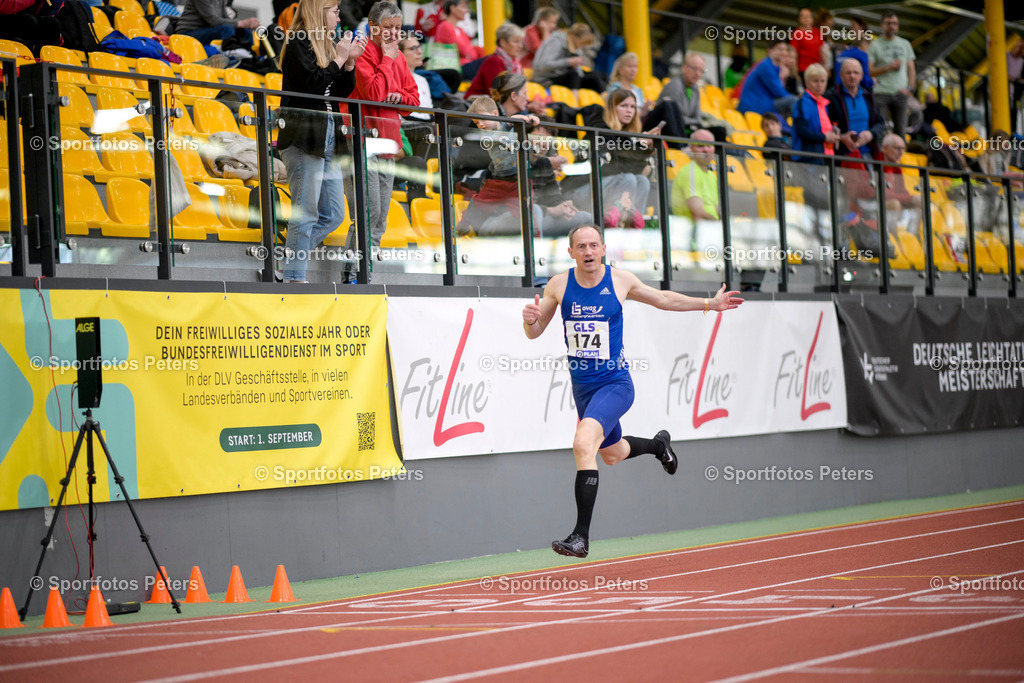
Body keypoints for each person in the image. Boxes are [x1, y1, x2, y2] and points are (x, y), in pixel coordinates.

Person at [520, 224, 743, 557]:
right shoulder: (559, 284)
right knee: (611, 454)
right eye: (581, 246)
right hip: (583, 389)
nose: (588, 252)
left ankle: (581, 537)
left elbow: (663, 299)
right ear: (571, 253)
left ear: (604, 248)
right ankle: (658, 445)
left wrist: (709, 303)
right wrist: (529, 319)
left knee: (583, 443)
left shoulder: (620, 280)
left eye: (593, 245)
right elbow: (535, 332)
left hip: (615, 384)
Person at [276, 0, 365, 283]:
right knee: (307, 213)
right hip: (304, 137)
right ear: (319, 11)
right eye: (334, 10)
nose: (339, 16)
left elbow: (337, 92)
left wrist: (348, 63)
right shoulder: (297, 42)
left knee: (334, 215)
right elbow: (313, 85)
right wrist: (339, 60)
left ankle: (286, 258)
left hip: (330, 135)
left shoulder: (326, 42)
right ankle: (293, 276)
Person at [342, 0, 419, 266]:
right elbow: (373, 93)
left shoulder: (399, 57)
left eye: (398, 28)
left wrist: (399, 96)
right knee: (368, 212)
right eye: (389, 27)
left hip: (388, 143)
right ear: (373, 26)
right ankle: (352, 273)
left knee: (380, 219)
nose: (395, 33)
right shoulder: (362, 51)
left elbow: (414, 102)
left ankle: (366, 272)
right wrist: (387, 58)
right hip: (362, 140)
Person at [564, 88, 657, 227]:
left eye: (632, 107)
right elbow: (611, 168)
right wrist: (637, 147)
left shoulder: (624, 137)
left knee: (642, 181)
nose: (629, 111)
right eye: (623, 106)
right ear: (612, 109)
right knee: (628, 178)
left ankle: (634, 227)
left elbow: (633, 169)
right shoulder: (600, 130)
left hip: (602, 188)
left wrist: (643, 148)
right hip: (578, 190)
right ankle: (611, 225)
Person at [657, 53, 730, 143]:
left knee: (720, 131)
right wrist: (692, 123)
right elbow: (674, 117)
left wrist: (693, 123)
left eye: (701, 71)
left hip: (690, 128)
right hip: (677, 131)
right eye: (694, 68)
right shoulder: (674, 85)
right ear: (684, 68)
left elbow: (697, 117)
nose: (698, 74)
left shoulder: (695, 89)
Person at [827, 58, 886, 160]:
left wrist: (871, 134)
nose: (852, 76)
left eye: (856, 73)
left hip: (867, 153)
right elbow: (824, 126)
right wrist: (841, 137)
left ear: (861, 76)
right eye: (848, 73)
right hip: (841, 155)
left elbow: (880, 124)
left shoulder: (868, 96)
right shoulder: (831, 96)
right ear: (841, 75)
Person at [868, 11, 916, 137]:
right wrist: (888, 67)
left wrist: (910, 88)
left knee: (901, 131)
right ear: (882, 25)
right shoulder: (875, 44)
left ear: (898, 26)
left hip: (900, 93)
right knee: (881, 130)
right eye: (888, 23)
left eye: (894, 23)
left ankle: (900, 156)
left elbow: (911, 69)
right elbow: (869, 70)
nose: (892, 26)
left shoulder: (905, 44)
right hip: (881, 93)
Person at [531, 22, 605, 94]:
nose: (581, 47)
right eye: (582, 43)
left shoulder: (575, 47)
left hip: (562, 75)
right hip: (546, 79)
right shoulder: (556, 42)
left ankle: (607, 101)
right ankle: (575, 104)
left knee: (598, 76)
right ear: (573, 36)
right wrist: (568, 62)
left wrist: (576, 65)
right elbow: (542, 65)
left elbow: (579, 73)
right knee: (574, 75)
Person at [737, 40, 799, 117]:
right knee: (793, 100)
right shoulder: (765, 66)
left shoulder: (774, 67)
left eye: (785, 50)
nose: (783, 53)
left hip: (762, 104)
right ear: (770, 51)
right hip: (753, 107)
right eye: (780, 49)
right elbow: (779, 92)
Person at [465, 22, 526, 99]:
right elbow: (496, 93)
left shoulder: (516, 64)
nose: (520, 46)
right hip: (478, 106)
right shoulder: (494, 61)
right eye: (516, 42)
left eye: (521, 42)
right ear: (502, 42)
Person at [792, 64, 840, 161]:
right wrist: (824, 137)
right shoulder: (803, 103)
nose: (819, 85)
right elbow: (801, 129)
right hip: (807, 156)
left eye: (822, 81)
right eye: (815, 81)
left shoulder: (825, 103)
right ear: (807, 83)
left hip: (824, 154)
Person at [671, 129, 718, 224]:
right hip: (693, 232)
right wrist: (720, 225)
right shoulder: (690, 172)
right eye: (700, 146)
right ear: (691, 148)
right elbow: (697, 214)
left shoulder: (711, 175)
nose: (706, 150)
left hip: (711, 228)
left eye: (709, 145)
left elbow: (716, 209)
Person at [175, 0, 260, 47]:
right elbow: (213, 20)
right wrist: (241, 23)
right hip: (187, 33)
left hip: (209, 30)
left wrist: (247, 25)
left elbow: (224, 19)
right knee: (227, 29)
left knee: (245, 31)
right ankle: (226, 58)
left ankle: (248, 60)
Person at [432, 0, 484, 67]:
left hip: (463, 66)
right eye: (463, 7)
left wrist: (470, 53)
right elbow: (466, 51)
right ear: (452, 8)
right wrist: (469, 53)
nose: (466, 10)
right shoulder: (445, 26)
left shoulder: (460, 29)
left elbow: (471, 53)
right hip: (453, 67)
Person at [790, 7, 827, 74]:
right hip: (803, 68)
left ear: (812, 18)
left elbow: (821, 50)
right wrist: (794, 67)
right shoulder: (797, 33)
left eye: (808, 16)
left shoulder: (817, 32)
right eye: (802, 16)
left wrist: (825, 66)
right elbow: (794, 52)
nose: (806, 19)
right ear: (799, 19)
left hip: (817, 68)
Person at [523, 7, 560, 71]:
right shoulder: (529, 31)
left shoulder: (550, 33)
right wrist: (545, 32)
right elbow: (541, 54)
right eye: (552, 22)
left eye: (555, 23)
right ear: (541, 21)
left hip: (539, 69)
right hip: (527, 68)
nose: (554, 26)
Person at [1008, 42, 1024, 134]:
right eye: (1021, 48)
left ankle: (1013, 133)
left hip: (1015, 91)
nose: (1022, 51)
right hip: (1005, 89)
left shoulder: (1021, 61)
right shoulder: (1006, 56)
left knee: (1014, 111)